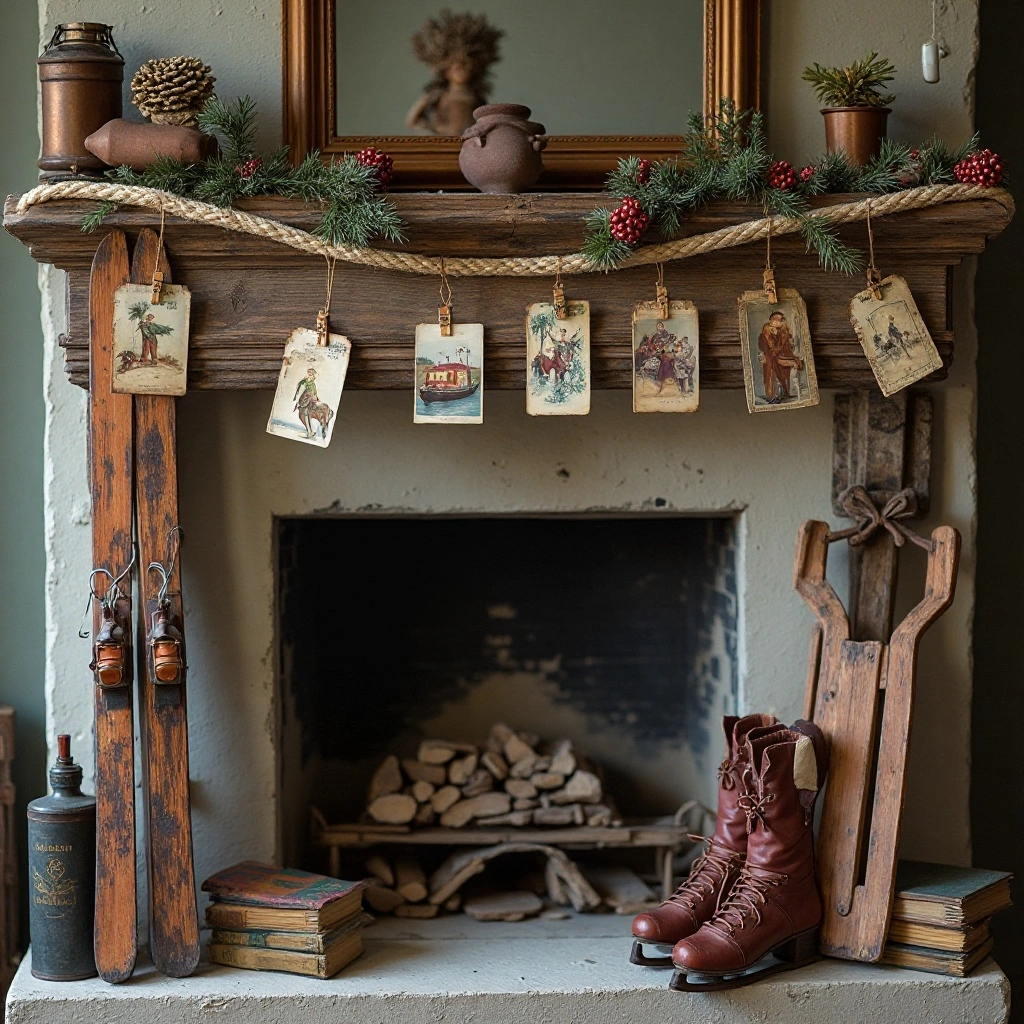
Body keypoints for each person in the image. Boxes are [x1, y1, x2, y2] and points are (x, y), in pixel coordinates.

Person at [757, 310, 801, 403]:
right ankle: (772, 395)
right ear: (771, 320)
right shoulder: (766, 330)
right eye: (776, 319)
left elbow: (785, 344)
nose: (779, 322)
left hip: (779, 355)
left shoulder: (782, 330)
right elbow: (770, 347)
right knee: (772, 370)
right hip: (770, 356)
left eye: (780, 320)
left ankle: (785, 392)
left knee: (787, 369)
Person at [293, 366, 319, 438]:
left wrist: (313, 399)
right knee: (302, 416)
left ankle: (310, 432)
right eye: (309, 373)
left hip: (308, 401)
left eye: (311, 373)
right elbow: (299, 391)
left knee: (306, 416)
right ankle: (310, 431)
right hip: (304, 401)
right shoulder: (304, 381)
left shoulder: (311, 383)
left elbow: (313, 393)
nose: (310, 374)